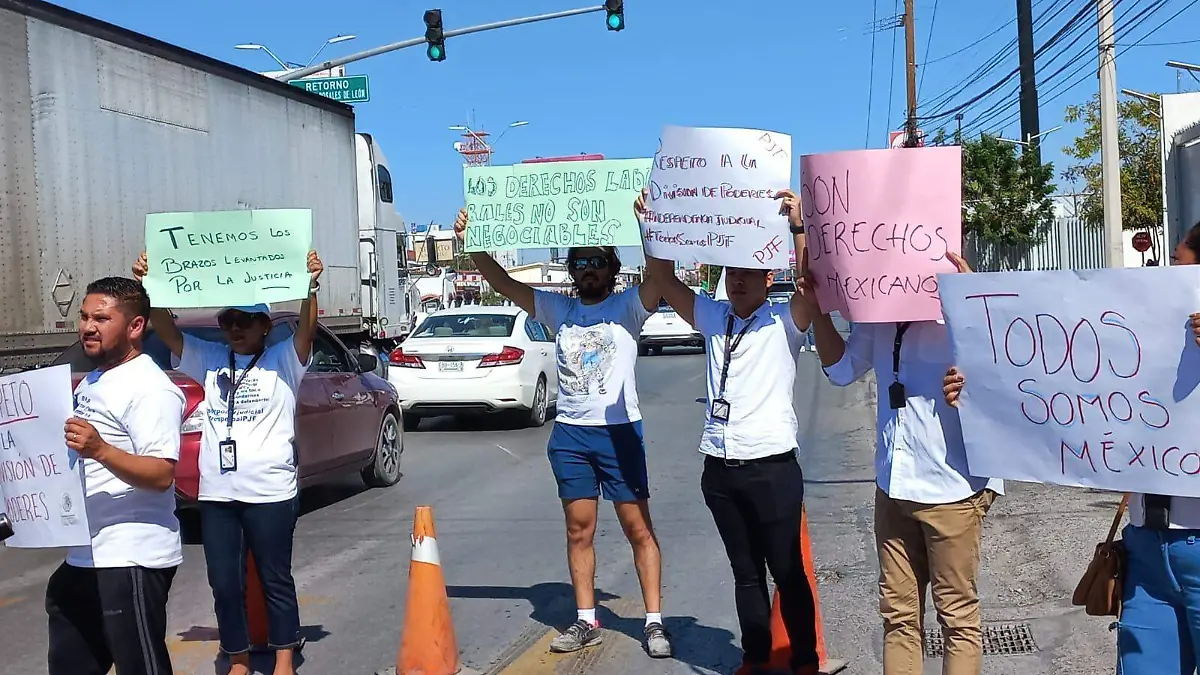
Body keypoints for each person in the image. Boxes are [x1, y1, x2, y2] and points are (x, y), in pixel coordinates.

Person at [944, 222, 1200, 675]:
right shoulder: (1157, 331)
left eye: (1178, 264)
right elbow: (1066, 374)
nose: (1166, 271)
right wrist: (978, 379)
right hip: (1145, 549)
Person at [452, 208, 672, 659]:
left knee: (638, 529)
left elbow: (661, 276)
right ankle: (586, 619)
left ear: (612, 267)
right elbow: (503, 284)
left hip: (618, 433)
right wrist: (472, 241)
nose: (587, 270)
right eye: (579, 262)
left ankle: (653, 622)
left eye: (596, 261)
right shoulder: (559, 309)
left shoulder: (628, 305)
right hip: (571, 436)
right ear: (571, 270)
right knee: (578, 531)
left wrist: (648, 227)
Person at [636, 188, 819, 675]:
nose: (736, 281)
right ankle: (755, 658)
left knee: (786, 571)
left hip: (773, 469)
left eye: (746, 273)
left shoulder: (785, 321)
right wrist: (651, 229)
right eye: (729, 272)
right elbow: (662, 279)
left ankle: (804, 660)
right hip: (719, 468)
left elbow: (810, 284)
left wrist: (799, 226)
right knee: (745, 574)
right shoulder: (715, 317)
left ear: (767, 277)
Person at [799, 248, 1002, 675]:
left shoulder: (964, 310)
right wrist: (818, 311)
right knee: (898, 618)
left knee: (958, 620)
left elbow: (1011, 379)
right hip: (893, 488)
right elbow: (840, 369)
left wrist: (975, 299)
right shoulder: (879, 313)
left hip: (954, 490)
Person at [132, 250, 324, 675]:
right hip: (218, 493)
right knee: (223, 583)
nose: (234, 328)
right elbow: (166, 328)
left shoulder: (283, 360)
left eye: (244, 320)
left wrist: (311, 285)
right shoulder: (210, 359)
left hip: (270, 492)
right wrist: (151, 284)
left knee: (275, 578)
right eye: (227, 321)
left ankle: (284, 656)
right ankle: (236, 656)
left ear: (264, 325)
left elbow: (307, 329)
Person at [47, 277, 185, 675]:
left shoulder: (151, 388)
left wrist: (101, 449)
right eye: (85, 316)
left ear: (135, 326)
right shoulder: (95, 379)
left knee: (139, 666)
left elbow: (161, 473)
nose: (88, 326)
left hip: (131, 556)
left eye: (102, 318)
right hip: (86, 553)